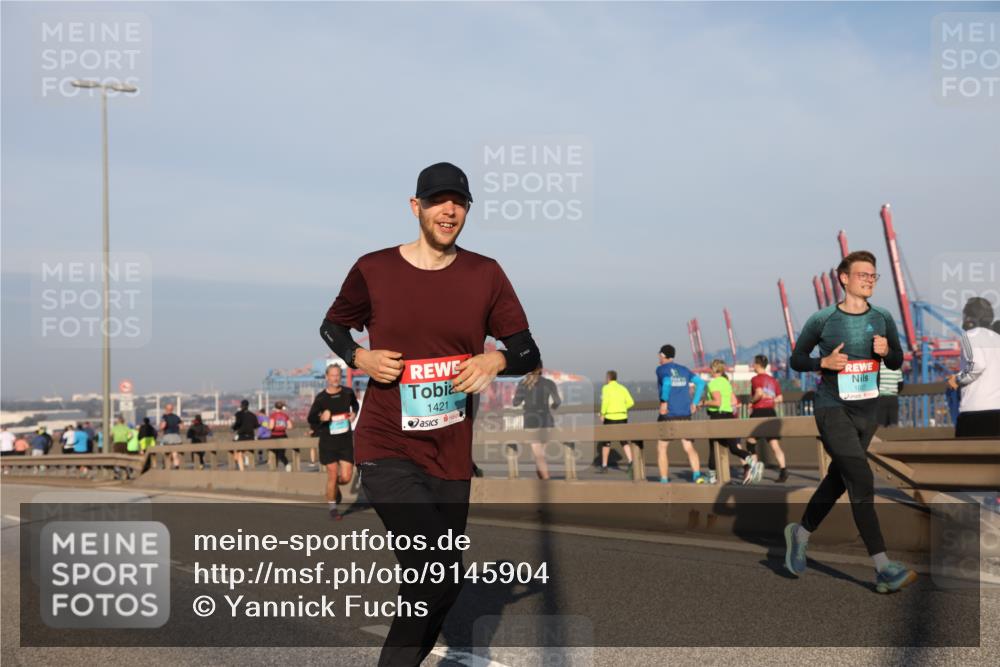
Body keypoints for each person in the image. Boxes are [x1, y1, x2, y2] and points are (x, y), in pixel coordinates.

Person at [319, 161, 539, 665]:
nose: (449, 211)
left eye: (458, 202)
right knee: (438, 564)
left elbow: (527, 350)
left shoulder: (486, 274)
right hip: (386, 445)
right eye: (438, 201)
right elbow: (332, 327)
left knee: (434, 582)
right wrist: (360, 357)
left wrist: (497, 358)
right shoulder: (374, 269)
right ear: (415, 207)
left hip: (451, 452)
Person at [785, 250, 915, 593]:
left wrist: (889, 353)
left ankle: (800, 533)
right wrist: (822, 363)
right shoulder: (822, 319)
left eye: (874, 276)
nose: (869, 280)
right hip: (831, 408)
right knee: (860, 477)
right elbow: (796, 359)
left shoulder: (884, 317)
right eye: (863, 275)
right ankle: (884, 567)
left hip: (866, 411)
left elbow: (898, 360)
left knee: (839, 478)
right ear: (844, 278)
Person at [307, 364, 359, 519]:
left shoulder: (348, 393)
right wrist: (321, 417)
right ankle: (333, 508)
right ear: (327, 377)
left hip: (345, 441)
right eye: (332, 375)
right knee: (332, 473)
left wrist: (353, 413)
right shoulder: (321, 398)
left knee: (347, 477)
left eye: (338, 375)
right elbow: (311, 419)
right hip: (328, 442)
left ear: (341, 377)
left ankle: (334, 487)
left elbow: (355, 404)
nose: (335, 378)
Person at [948, 296, 1000, 437]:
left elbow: (977, 365)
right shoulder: (997, 338)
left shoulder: (970, 335)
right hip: (997, 410)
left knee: (964, 457)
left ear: (970, 317)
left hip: (975, 412)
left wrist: (956, 379)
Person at [655, 344, 707, 484]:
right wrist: (694, 403)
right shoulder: (684, 369)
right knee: (688, 446)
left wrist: (664, 402)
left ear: (663, 356)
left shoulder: (661, 369)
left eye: (659, 355)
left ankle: (664, 479)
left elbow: (666, 382)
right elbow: (701, 383)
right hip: (685, 413)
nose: (658, 358)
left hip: (669, 414)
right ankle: (696, 475)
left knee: (662, 447)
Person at [704, 359, 761, 485]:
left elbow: (717, 402)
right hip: (729, 417)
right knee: (734, 447)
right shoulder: (725, 382)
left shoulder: (712, 384)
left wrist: (704, 402)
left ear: (713, 369)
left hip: (717, 418)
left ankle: (712, 477)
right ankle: (752, 462)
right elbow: (734, 401)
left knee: (713, 447)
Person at [512, 365, 561, 480]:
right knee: (541, 455)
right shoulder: (549, 383)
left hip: (531, 421)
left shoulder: (524, 384)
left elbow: (515, 403)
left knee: (538, 455)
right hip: (547, 420)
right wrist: (552, 406)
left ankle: (546, 480)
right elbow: (557, 402)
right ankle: (542, 477)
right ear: (541, 369)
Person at [746, 354, 789, 483]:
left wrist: (751, 402)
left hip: (759, 412)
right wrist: (770, 399)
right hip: (771, 412)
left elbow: (758, 393)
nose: (753, 366)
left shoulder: (755, 379)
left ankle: (755, 470)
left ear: (758, 365)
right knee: (774, 444)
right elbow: (780, 399)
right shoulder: (773, 380)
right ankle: (783, 471)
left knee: (750, 443)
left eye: (754, 363)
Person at [596, 370, 637, 475]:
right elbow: (631, 402)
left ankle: (604, 466)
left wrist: (602, 414)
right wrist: (623, 408)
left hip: (610, 416)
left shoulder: (606, 388)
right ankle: (631, 461)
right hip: (622, 416)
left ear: (608, 378)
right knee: (623, 440)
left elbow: (605, 402)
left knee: (606, 442)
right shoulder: (622, 388)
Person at [231, 400, 257, 472]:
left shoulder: (238, 414)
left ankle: (242, 470)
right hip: (251, 435)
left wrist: (233, 428)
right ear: (248, 405)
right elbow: (256, 425)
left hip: (242, 435)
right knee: (250, 452)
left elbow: (237, 423)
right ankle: (251, 468)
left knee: (239, 453)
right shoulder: (253, 415)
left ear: (241, 405)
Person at [268, 401, 293, 471]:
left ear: (275, 407)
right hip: (283, 435)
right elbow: (290, 426)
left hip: (274, 436)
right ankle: (287, 464)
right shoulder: (285, 415)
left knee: (273, 453)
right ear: (282, 407)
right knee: (281, 454)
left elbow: (271, 426)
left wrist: (267, 426)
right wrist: (283, 427)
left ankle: (274, 468)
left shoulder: (273, 415)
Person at [159, 404, 184, 469]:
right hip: (176, 437)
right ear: (172, 409)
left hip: (168, 436)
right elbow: (181, 427)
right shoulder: (176, 417)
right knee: (175, 454)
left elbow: (163, 426)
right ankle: (176, 467)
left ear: (166, 409)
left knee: (166, 453)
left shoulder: (164, 417)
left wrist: (161, 427)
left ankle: (167, 467)